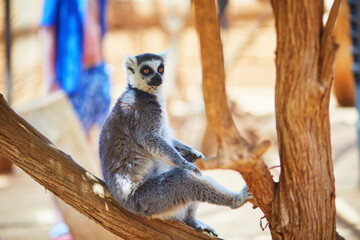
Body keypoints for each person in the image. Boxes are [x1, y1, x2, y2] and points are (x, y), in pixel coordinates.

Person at [40, 1, 110, 239]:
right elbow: (47, 30)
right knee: (62, 152)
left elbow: (98, 26)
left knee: (104, 146)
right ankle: (60, 221)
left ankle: (104, 214)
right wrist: (50, 80)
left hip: (98, 74)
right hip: (71, 78)